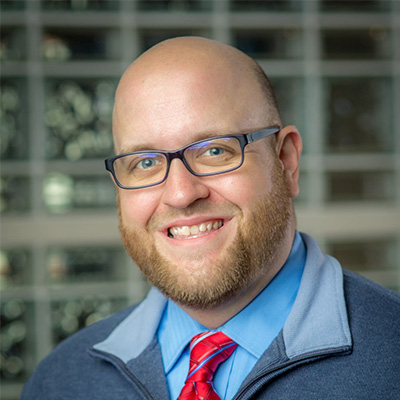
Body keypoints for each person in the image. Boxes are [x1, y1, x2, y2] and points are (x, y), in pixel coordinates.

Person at [21, 37, 400, 400]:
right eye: (146, 162)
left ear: (285, 162)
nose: (181, 194)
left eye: (215, 150)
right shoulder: (61, 381)